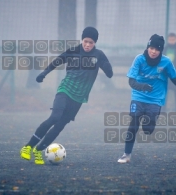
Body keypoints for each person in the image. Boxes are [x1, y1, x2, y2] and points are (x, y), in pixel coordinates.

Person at [20, 27, 113, 165]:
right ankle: (28, 146)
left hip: (79, 97)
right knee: (55, 117)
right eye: (86, 41)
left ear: (95, 43)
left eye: (91, 42)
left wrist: (107, 67)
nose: (87, 45)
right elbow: (57, 61)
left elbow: (109, 74)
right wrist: (44, 73)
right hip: (65, 89)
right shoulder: (73, 51)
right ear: (82, 40)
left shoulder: (99, 55)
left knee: (60, 125)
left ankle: (38, 150)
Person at [117, 34, 176, 164]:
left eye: (157, 49)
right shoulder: (139, 59)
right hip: (138, 96)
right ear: (148, 47)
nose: (153, 51)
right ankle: (126, 154)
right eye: (152, 48)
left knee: (148, 130)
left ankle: (151, 121)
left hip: (155, 99)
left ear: (161, 51)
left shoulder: (166, 62)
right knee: (133, 124)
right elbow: (131, 81)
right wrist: (142, 86)